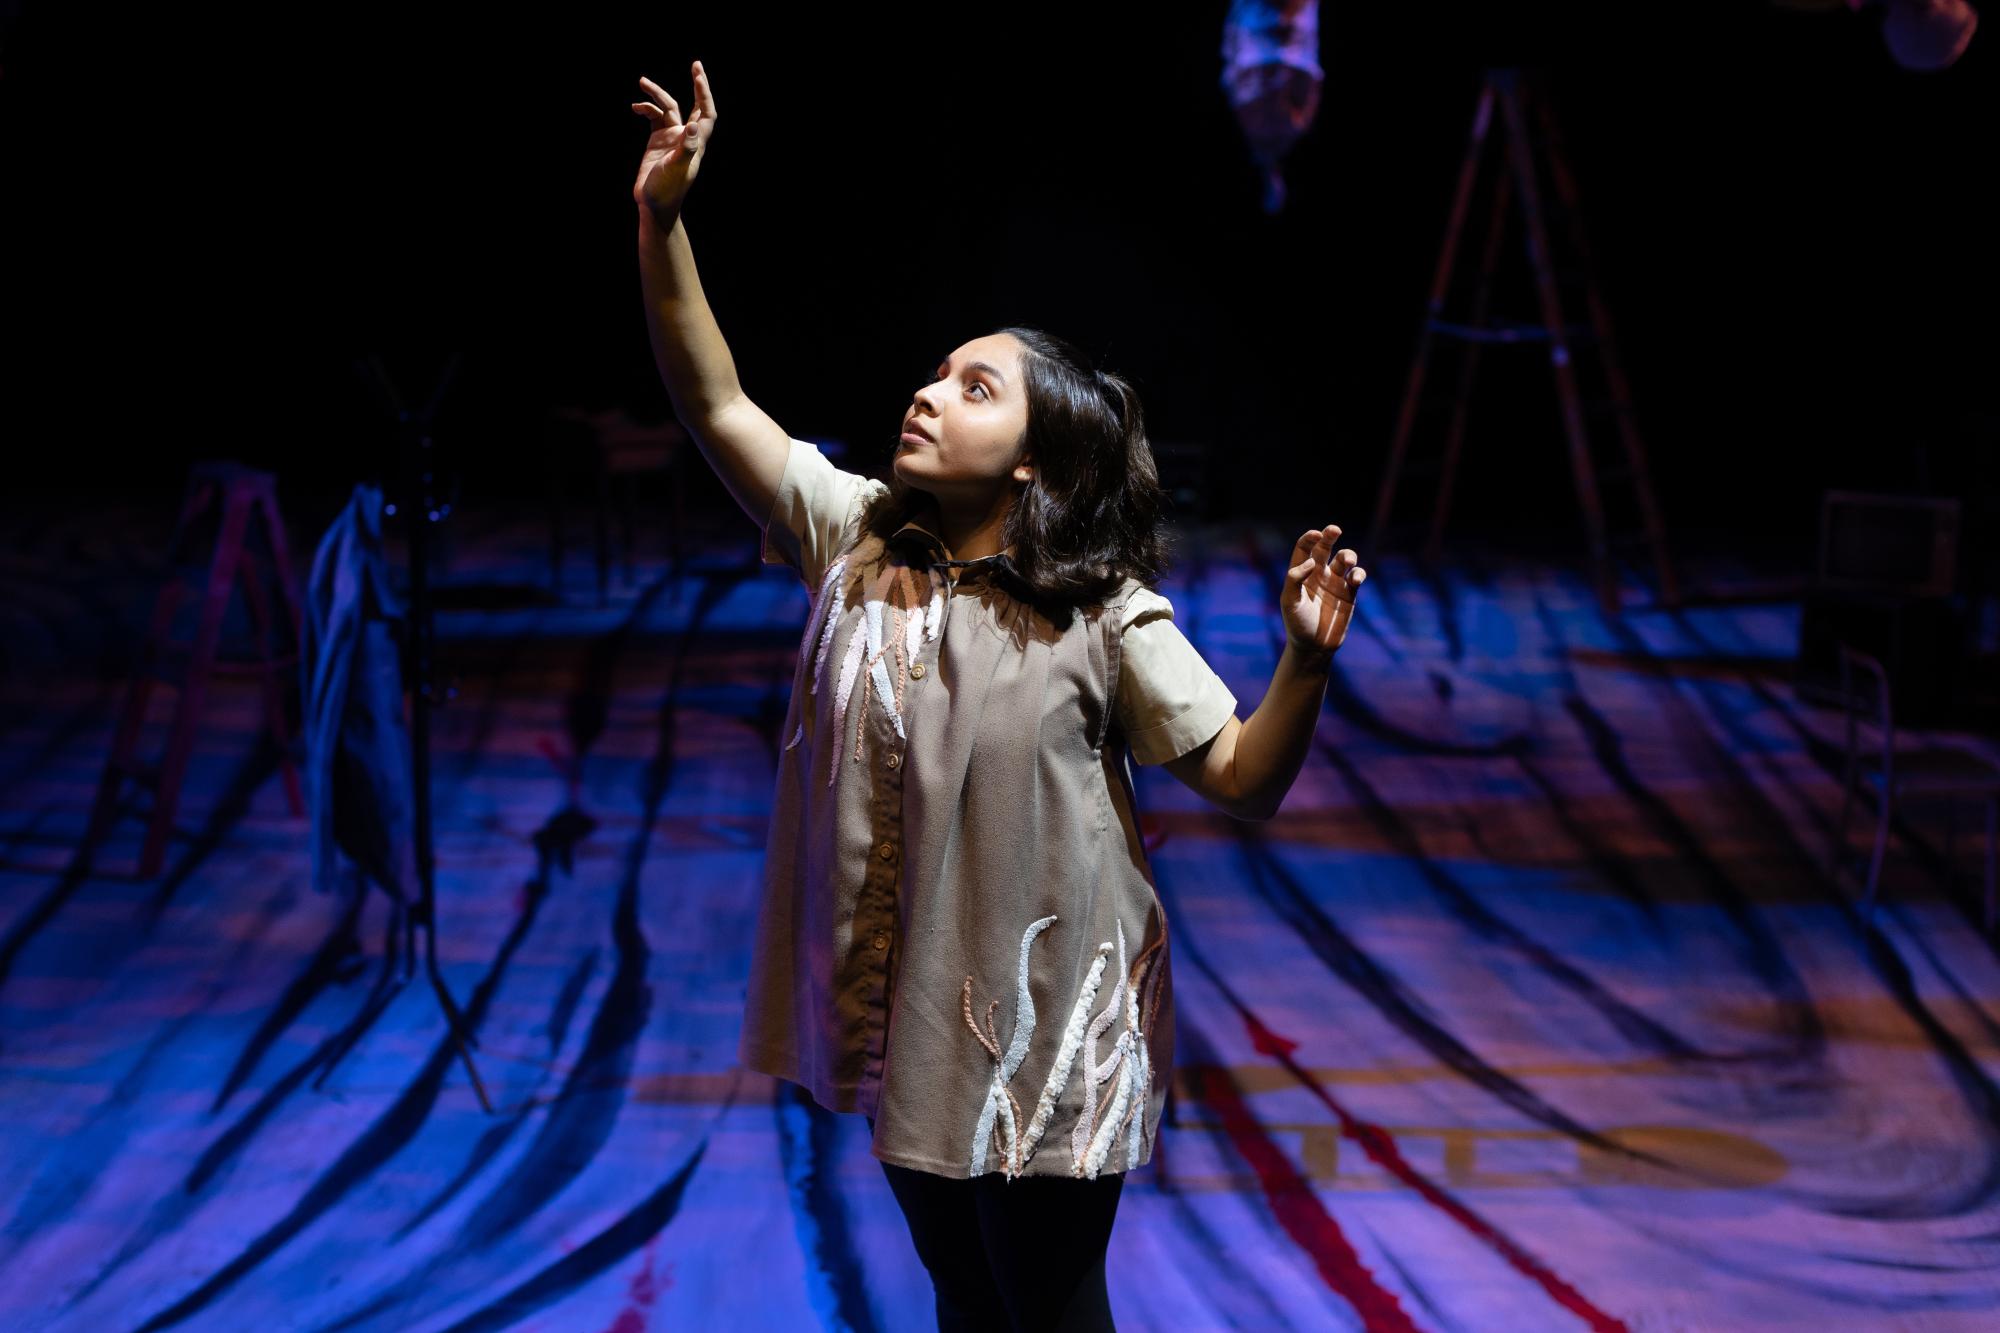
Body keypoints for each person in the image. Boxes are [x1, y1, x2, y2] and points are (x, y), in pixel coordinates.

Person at [632, 61, 1366, 1332]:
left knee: (1048, 1305)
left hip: (1053, 1039)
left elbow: (1243, 778)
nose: (926, 390)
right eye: (935, 372)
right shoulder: (857, 539)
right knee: (963, 1298)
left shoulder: (1103, 615)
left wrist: (1304, 660)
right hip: (912, 1028)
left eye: (974, 386)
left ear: (1033, 458)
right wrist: (662, 222)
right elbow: (712, 399)